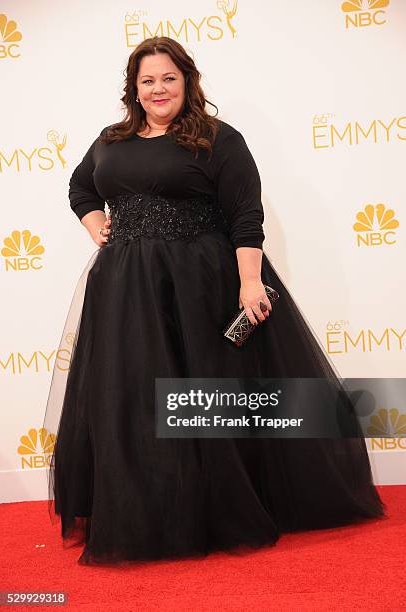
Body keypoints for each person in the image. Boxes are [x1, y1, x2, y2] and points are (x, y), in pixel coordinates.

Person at [43, 36, 386, 566]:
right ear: (133, 89)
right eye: (147, 81)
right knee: (131, 396)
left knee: (202, 402)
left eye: (168, 78)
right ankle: (145, 512)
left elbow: (246, 215)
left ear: (187, 81)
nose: (158, 89)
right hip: (124, 287)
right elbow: (80, 188)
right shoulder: (111, 139)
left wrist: (250, 282)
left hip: (198, 282)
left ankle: (210, 510)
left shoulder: (218, 140)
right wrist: (98, 228)